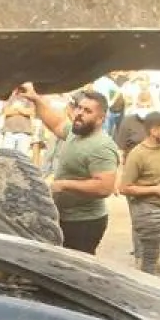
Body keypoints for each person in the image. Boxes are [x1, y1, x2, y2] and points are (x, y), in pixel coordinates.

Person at [18, 85, 118, 253]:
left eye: (87, 111)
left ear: (101, 118)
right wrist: (35, 98)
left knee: (77, 270)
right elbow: (55, 123)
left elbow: (104, 187)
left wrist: (65, 185)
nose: (79, 113)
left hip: (85, 222)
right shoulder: (76, 133)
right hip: (64, 216)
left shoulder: (102, 146)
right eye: (79, 108)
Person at [119, 111, 160, 281]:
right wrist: (154, 190)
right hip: (148, 213)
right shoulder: (137, 154)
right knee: (150, 260)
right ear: (154, 131)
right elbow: (124, 188)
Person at [0, 93, 36, 157]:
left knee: (22, 158)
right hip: (9, 132)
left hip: (25, 133)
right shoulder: (8, 96)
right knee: (7, 157)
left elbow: (31, 112)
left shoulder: (29, 97)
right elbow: (6, 111)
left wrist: (16, 108)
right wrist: (22, 111)